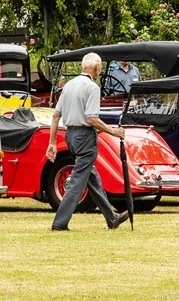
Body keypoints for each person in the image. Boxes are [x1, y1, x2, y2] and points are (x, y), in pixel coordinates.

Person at [47, 52, 129, 231]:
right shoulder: (92, 88)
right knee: (77, 180)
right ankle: (60, 222)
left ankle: (111, 217)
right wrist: (113, 131)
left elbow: (55, 116)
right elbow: (91, 119)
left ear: (83, 67)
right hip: (85, 137)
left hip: (69, 136)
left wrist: (52, 143)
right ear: (98, 69)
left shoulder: (69, 85)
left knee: (92, 178)